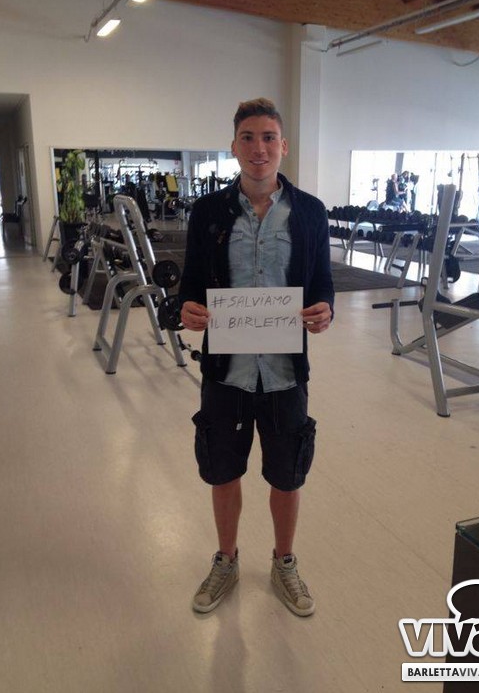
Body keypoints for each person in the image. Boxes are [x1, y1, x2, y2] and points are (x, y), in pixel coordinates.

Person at [179, 98, 334, 617]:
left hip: (285, 371)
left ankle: (284, 561)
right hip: (227, 371)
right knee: (223, 469)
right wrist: (189, 309)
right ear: (234, 146)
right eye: (248, 137)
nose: (259, 147)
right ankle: (226, 559)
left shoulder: (310, 212)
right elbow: (190, 285)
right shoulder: (208, 212)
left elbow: (322, 284)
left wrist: (324, 310)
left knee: (288, 473)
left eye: (268, 137)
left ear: (283, 146)